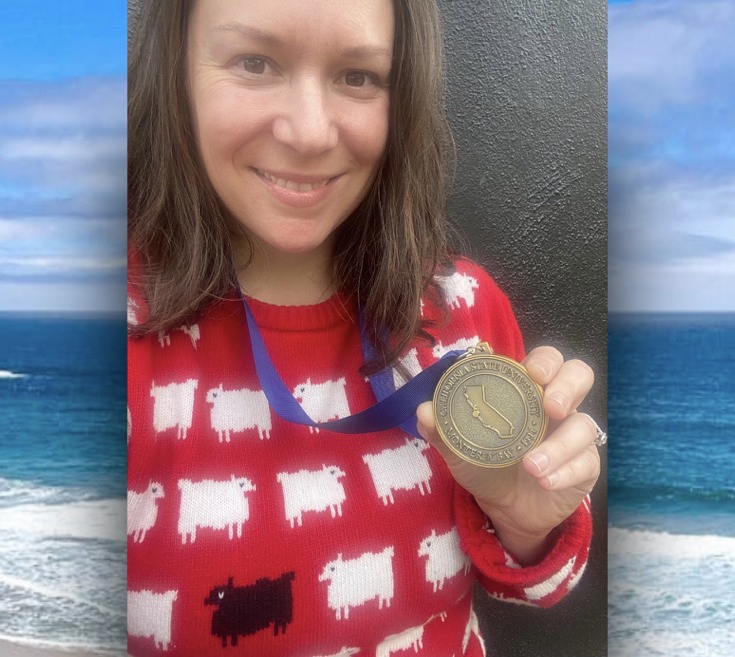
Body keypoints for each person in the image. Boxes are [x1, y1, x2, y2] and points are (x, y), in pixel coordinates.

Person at [126, 0, 604, 654]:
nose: (310, 132)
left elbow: (544, 589)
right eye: (255, 62)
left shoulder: (466, 309)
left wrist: (524, 524)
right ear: (173, 73)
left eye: (358, 76)